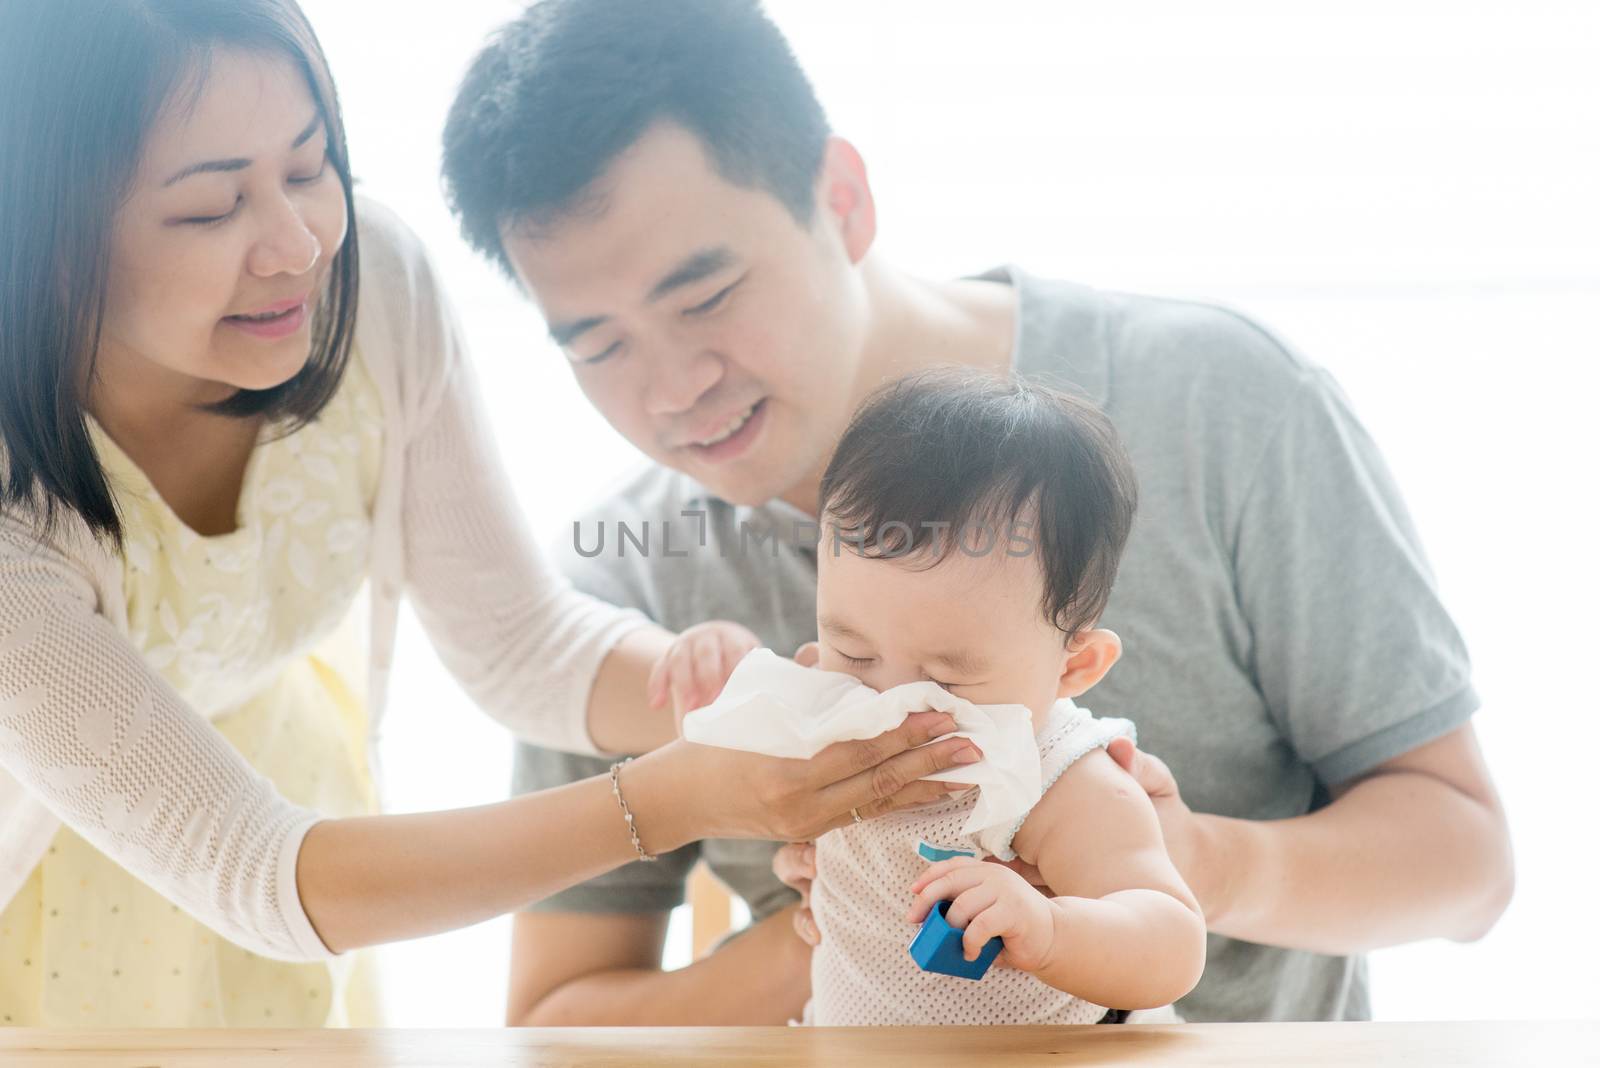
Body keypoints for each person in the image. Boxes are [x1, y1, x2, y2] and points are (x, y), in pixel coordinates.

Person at [439, 0, 1515, 1025]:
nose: (672, 390)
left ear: (844, 199)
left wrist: (1182, 866)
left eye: (706, 296)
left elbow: (1466, 867)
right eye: (597, 345)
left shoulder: (1215, 400)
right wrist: (843, 926)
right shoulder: (627, 595)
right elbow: (557, 1018)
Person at [0, 0, 983, 1028]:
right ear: (47, 234)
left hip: (290, 834)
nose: (296, 244)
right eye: (209, 209)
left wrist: (765, 707)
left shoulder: (364, 284)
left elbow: (518, 643)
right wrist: (684, 790)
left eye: (305, 167)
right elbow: (259, 870)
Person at [660, 368, 1207, 1025]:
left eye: (950, 679)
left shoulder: (1062, 778)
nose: (894, 701)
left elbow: (1172, 941)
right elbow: (737, 740)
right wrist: (720, 662)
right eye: (854, 650)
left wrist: (1051, 927)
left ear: (1074, 668)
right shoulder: (834, 698)